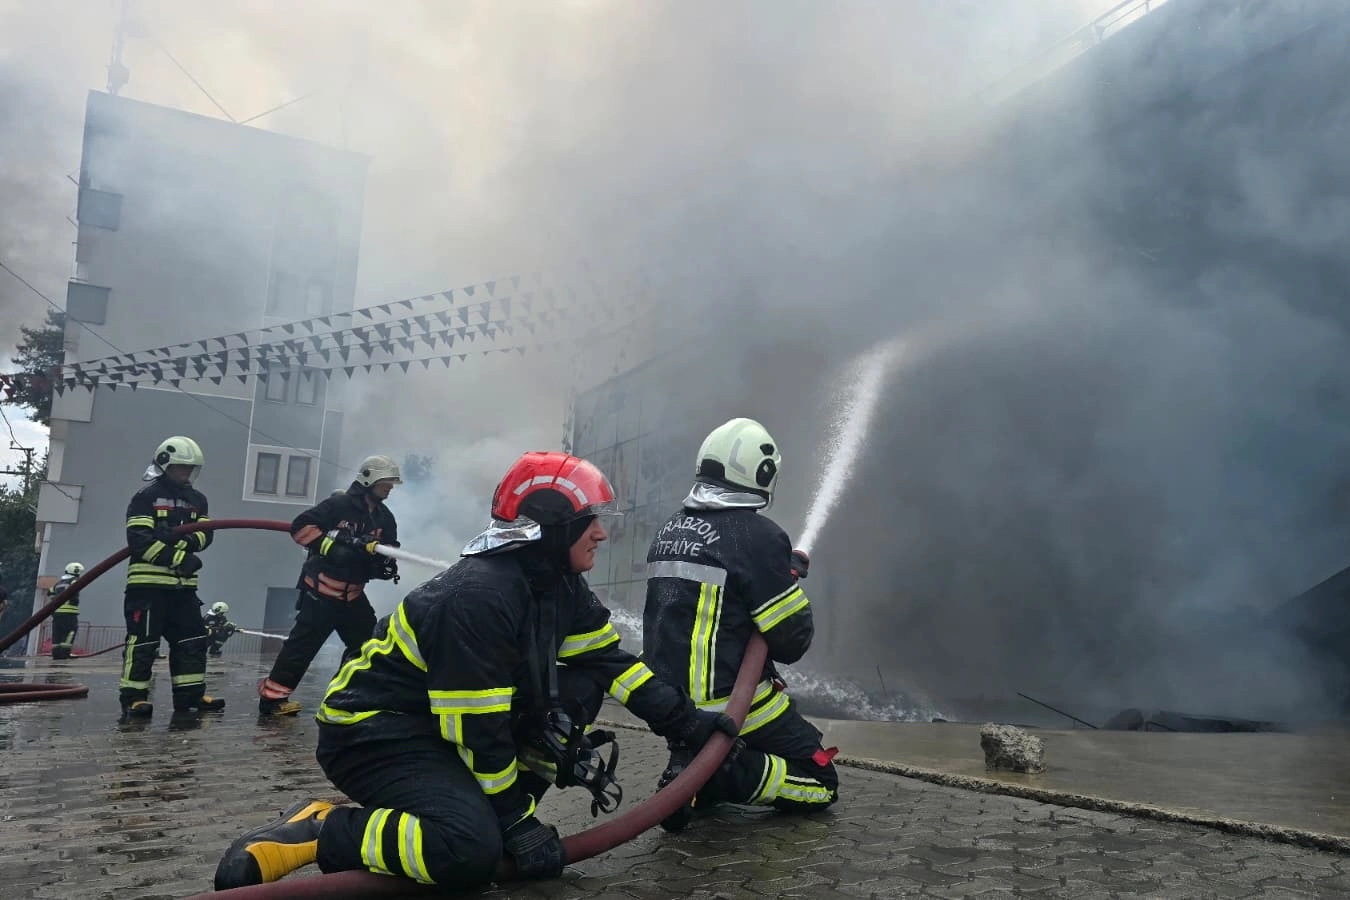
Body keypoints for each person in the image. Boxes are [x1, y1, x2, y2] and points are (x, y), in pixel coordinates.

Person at [214, 451, 738, 891]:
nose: (601, 533)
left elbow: (612, 665)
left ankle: (491, 815)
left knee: (581, 685)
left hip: (440, 727)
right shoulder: (479, 596)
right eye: (589, 521)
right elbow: (476, 726)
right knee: (466, 851)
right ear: (552, 526)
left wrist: (686, 723)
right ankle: (323, 829)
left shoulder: (558, 584)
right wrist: (515, 822)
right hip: (375, 733)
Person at [642, 417, 838, 832]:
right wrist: (782, 580)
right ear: (762, 473)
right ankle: (719, 774)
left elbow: (726, 590)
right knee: (820, 781)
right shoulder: (759, 537)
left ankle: (696, 771)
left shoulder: (670, 529)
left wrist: (774, 573)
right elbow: (791, 641)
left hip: (668, 704)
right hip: (729, 704)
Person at [256, 455, 402, 716]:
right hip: (321, 593)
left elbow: (388, 548)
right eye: (386, 482)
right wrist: (333, 549)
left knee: (370, 647)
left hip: (353, 597)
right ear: (370, 479)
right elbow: (300, 527)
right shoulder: (339, 505)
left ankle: (351, 695)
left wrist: (384, 565)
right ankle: (272, 699)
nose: (390, 488)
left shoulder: (384, 518)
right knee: (301, 648)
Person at [119, 436, 224, 718]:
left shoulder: (197, 500)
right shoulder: (146, 497)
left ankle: (190, 697)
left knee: (193, 641)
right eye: (181, 467)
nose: (186, 473)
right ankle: (134, 698)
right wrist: (179, 558)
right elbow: (139, 541)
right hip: (148, 587)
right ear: (165, 464)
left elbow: (205, 535)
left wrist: (183, 541)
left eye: (190, 468)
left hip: (183, 588)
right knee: (144, 643)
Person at [49, 561, 85, 659]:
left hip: (57, 613)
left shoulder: (58, 583)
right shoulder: (74, 581)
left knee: (57, 634)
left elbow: (50, 592)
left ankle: (56, 654)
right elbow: (80, 584)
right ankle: (64, 654)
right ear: (76, 572)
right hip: (69, 613)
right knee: (70, 632)